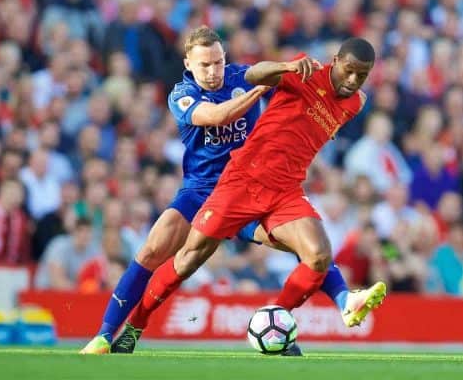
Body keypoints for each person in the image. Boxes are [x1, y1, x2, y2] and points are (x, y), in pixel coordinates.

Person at [98, 37, 385, 356]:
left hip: (285, 190)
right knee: (186, 258)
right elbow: (256, 78)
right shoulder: (303, 70)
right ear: (335, 60)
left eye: (361, 75)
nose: (352, 80)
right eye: (348, 71)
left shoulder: (356, 103)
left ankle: (300, 314)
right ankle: (130, 327)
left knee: (317, 254)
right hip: (235, 183)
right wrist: (284, 67)